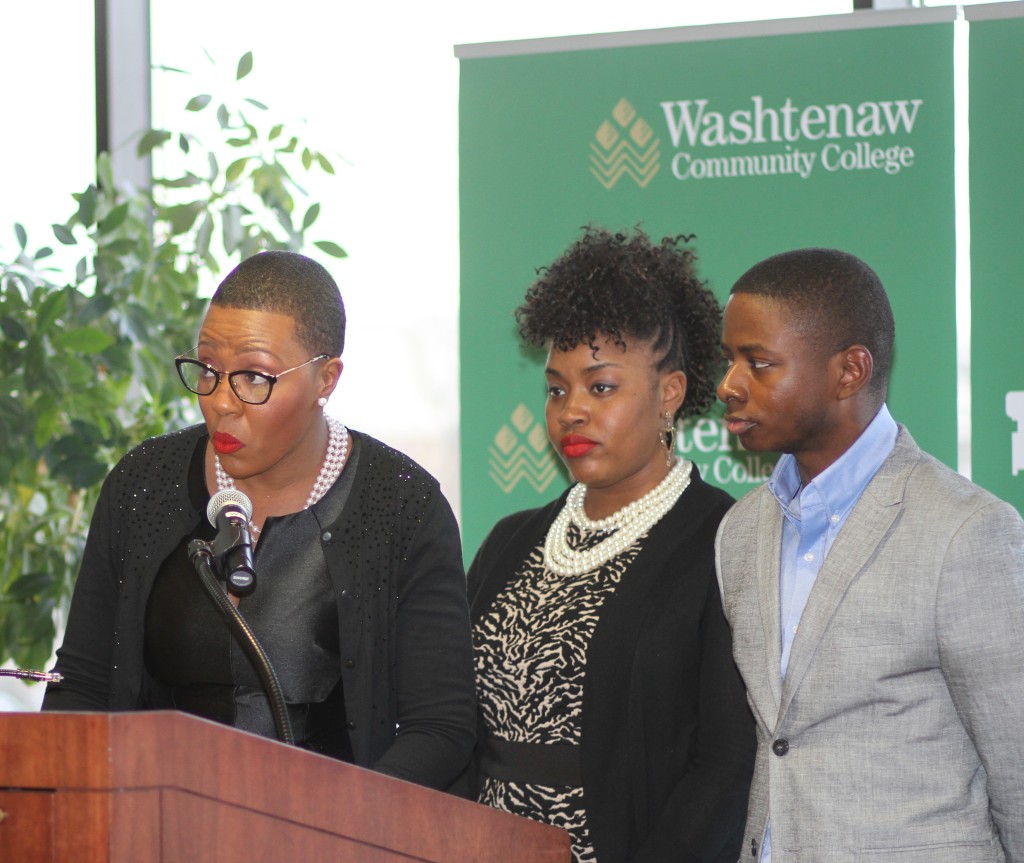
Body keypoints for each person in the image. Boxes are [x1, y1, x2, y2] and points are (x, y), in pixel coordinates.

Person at [42, 250, 476, 790]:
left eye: (254, 377)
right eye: (207, 369)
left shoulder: (401, 507)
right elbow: (82, 682)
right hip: (156, 824)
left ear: (326, 378)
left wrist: (340, 832)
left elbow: (440, 727)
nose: (222, 402)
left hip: (330, 834)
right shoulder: (142, 485)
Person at [715, 248, 1024, 862]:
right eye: (729, 360)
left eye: (760, 363)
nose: (729, 385)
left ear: (849, 371)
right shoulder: (739, 531)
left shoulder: (967, 531)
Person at [460, 227, 755, 862]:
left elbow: (727, 763)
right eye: (557, 388)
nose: (571, 411)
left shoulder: (723, 542)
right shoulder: (508, 543)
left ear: (669, 393)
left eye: (601, 387)